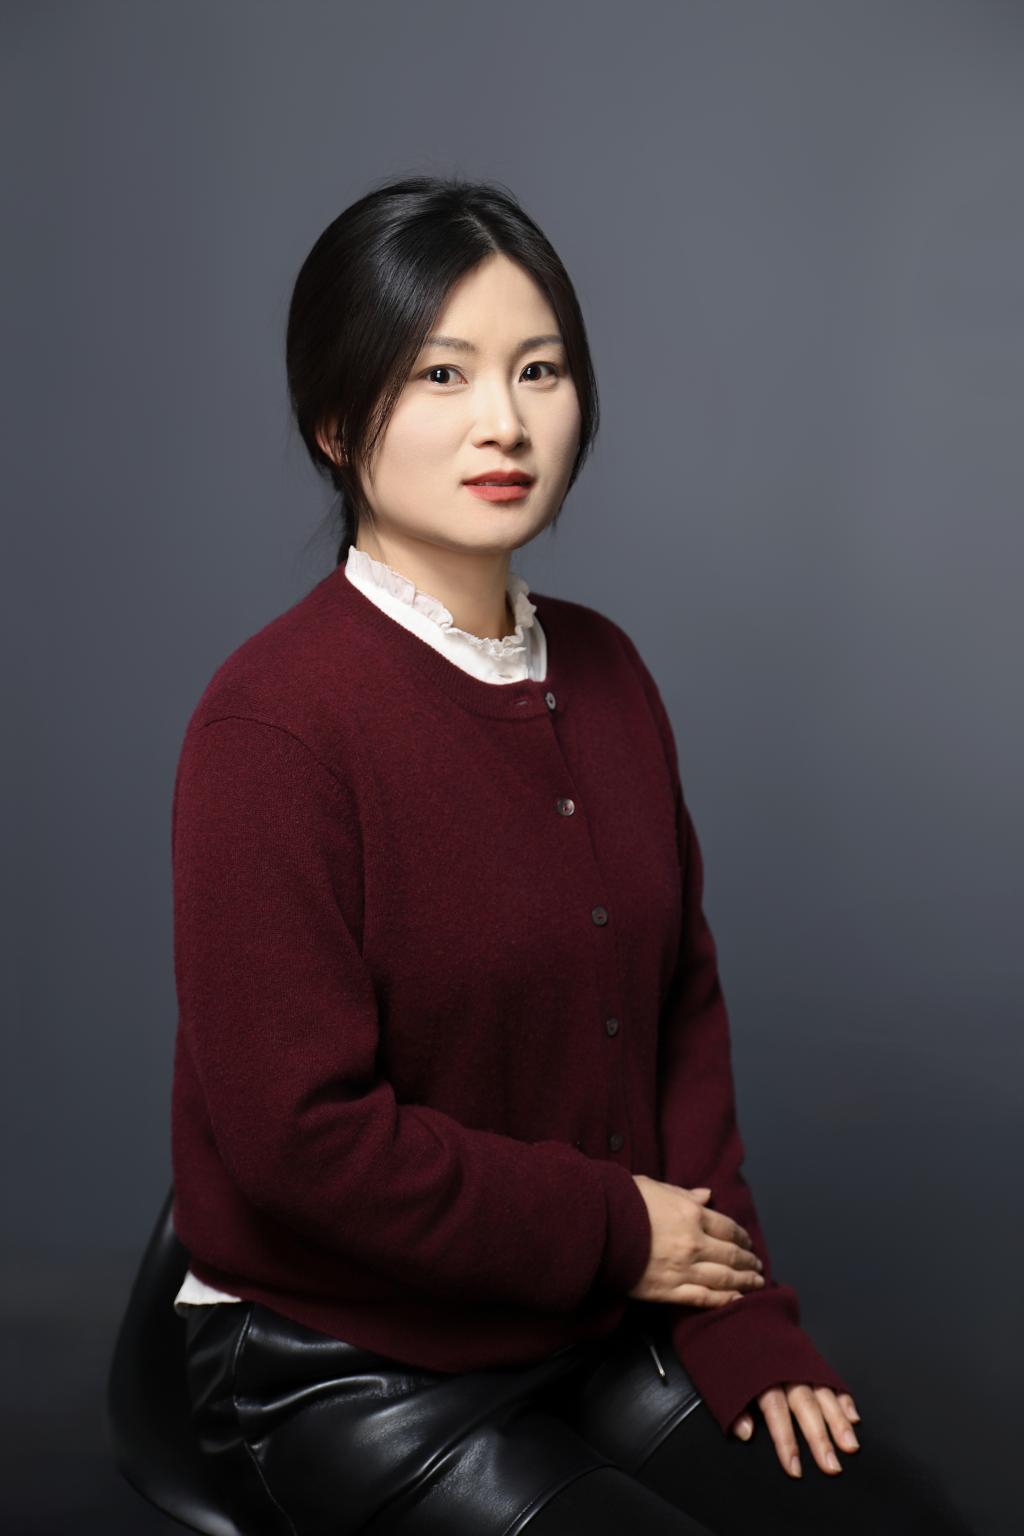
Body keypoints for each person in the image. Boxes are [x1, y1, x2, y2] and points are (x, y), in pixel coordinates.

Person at [170, 174, 977, 1535]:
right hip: (346, 1358)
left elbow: (679, 1019)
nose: (505, 420)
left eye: (538, 370)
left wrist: (738, 1315)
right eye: (441, 375)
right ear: (334, 421)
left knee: (901, 1519)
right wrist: (618, 1231)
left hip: (594, 1312)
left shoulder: (604, 671)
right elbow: (298, 1144)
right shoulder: (273, 725)